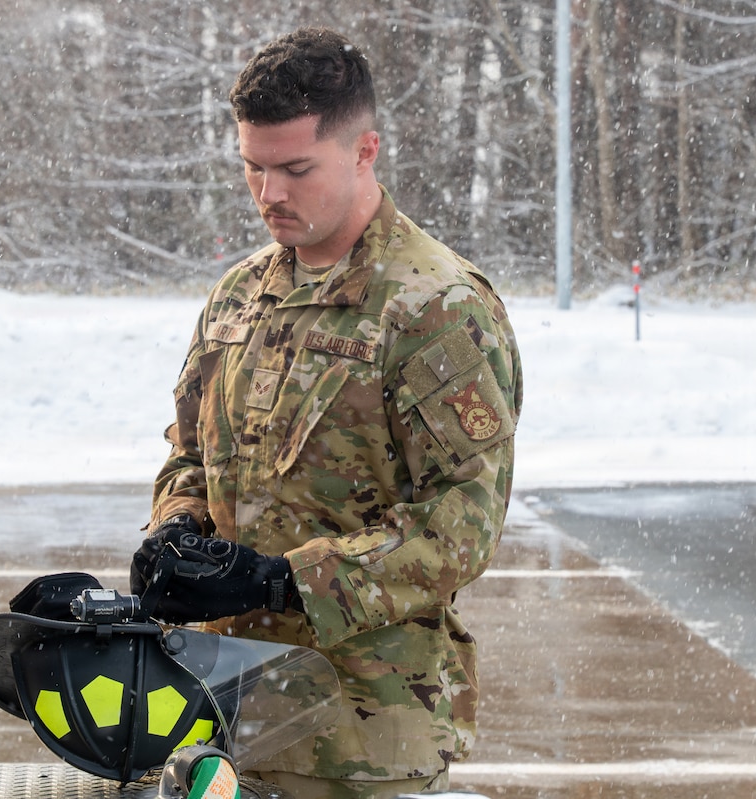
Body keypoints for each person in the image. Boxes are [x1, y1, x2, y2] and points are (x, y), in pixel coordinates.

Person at [130, 26, 523, 799]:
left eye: (296, 169)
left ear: (364, 150)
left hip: (361, 734)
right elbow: (192, 452)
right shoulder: (241, 294)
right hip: (219, 711)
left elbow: (460, 526)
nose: (270, 193)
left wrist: (284, 582)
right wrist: (175, 526)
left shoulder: (435, 307)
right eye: (253, 168)